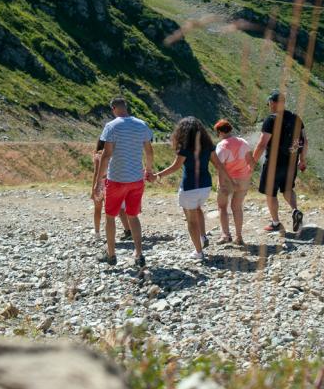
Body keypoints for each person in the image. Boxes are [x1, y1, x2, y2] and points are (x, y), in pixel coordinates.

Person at [153, 116, 230, 262]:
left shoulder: (185, 148)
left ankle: (198, 252)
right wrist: (229, 181)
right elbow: (219, 165)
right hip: (206, 186)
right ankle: (202, 237)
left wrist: (157, 176)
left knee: (191, 221)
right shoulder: (208, 146)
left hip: (189, 187)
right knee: (198, 208)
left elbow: (175, 167)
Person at [94, 97, 154, 268]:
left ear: (113, 109)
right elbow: (149, 151)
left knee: (111, 216)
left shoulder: (111, 126)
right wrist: (148, 170)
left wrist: (99, 180)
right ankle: (139, 254)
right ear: (126, 107)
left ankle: (111, 255)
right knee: (133, 216)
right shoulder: (141, 124)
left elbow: (106, 155)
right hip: (136, 179)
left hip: (117, 179)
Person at [252, 91, 307, 234]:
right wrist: (302, 160)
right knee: (288, 189)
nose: (269, 105)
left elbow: (262, 143)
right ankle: (295, 210)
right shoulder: (296, 118)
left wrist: (252, 161)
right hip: (291, 162)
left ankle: (275, 223)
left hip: (273, 164)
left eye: (270, 102)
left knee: (271, 193)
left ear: (275, 102)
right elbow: (304, 141)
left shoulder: (271, 120)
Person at [214, 119, 253, 246]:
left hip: (227, 181)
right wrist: (248, 176)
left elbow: (220, 167)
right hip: (243, 179)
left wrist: (220, 184)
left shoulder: (222, 145)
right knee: (237, 208)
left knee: (222, 207)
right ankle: (239, 237)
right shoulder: (243, 142)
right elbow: (251, 162)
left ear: (219, 132)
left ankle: (225, 235)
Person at [91, 138, 131, 240]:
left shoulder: (98, 156)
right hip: (111, 183)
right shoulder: (114, 155)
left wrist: (93, 188)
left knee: (97, 209)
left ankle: (97, 233)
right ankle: (115, 233)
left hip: (100, 184)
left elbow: (96, 173)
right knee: (111, 211)